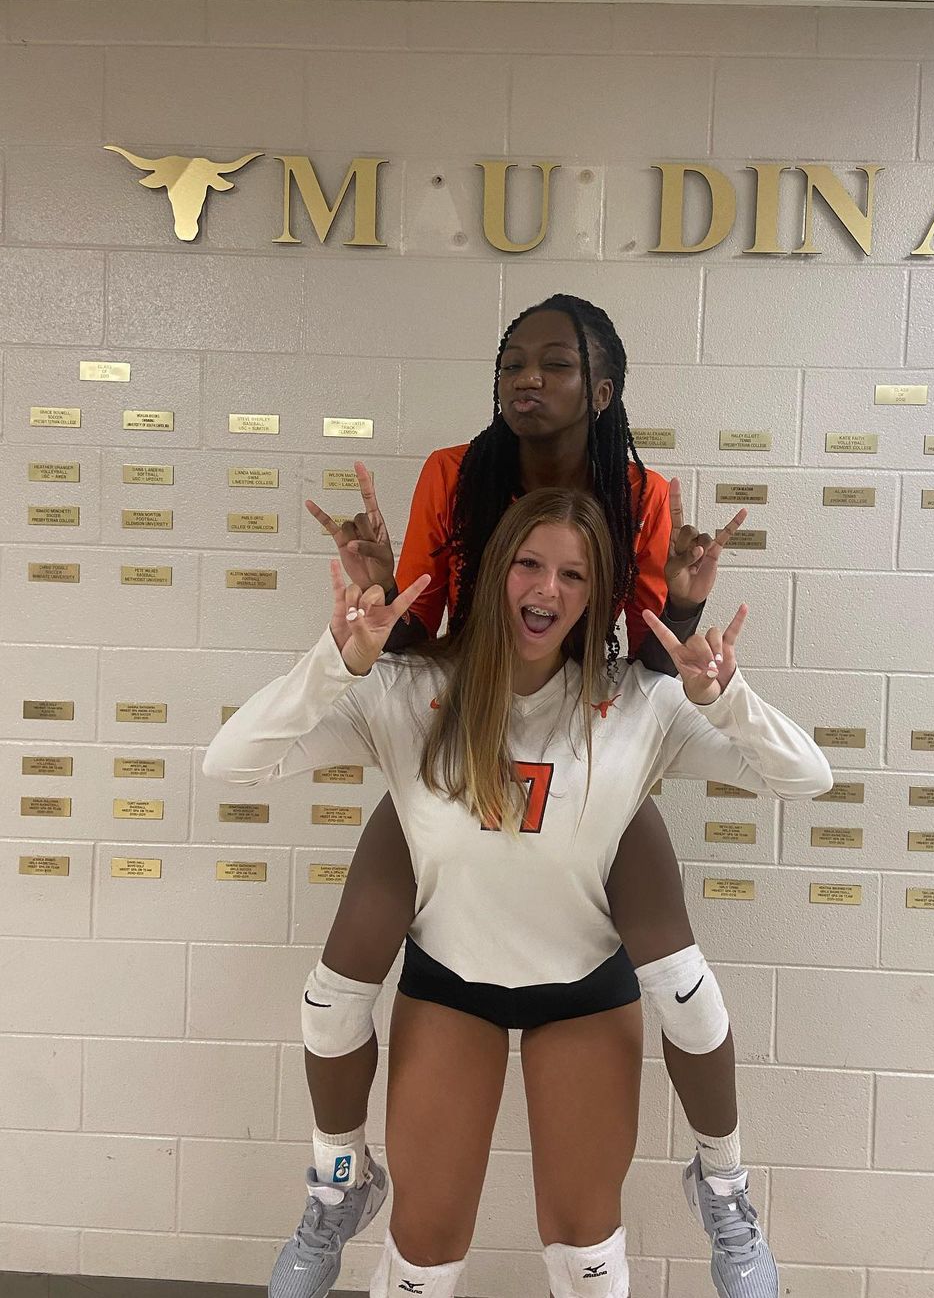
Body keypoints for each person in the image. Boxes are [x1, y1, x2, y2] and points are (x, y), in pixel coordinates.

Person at [203, 488, 833, 1298]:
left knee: (587, 1259)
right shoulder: (406, 690)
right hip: (450, 990)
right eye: (530, 564)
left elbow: (807, 777)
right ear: (497, 568)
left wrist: (725, 699)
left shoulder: (638, 703)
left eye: (573, 574)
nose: (547, 589)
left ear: (596, 594)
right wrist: (338, 660)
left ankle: (722, 1188)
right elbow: (232, 762)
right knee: (420, 1258)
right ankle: (339, 1185)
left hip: (583, 994)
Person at [289, 292, 785, 1298]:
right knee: (333, 993)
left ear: (602, 391)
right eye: (514, 360)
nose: (527, 378)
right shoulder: (453, 473)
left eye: (555, 364)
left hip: (585, 748)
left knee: (685, 986)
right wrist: (380, 595)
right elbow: (419, 632)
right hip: (461, 740)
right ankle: (337, 1183)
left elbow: (651, 662)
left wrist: (689, 609)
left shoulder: (641, 492)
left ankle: (725, 1189)